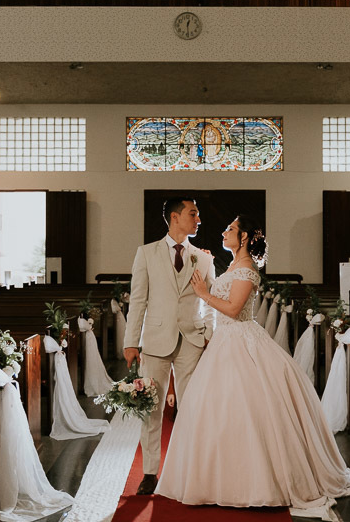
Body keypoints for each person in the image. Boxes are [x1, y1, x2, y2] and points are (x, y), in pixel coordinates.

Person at [156, 215, 350, 517]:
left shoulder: (247, 270)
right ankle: (216, 478)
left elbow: (234, 310)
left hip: (241, 341)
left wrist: (204, 294)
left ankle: (255, 481)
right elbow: (224, 295)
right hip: (226, 342)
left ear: (245, 237)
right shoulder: (235, 266)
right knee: (219, 411)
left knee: (249, 410)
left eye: (230, 229)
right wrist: (206, 269)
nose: (224, 232)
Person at [123, 196, 216, 495]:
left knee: (191, 408)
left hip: (192, 339)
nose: (198, 220)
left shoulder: (204, 258)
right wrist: (131, 342)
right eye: (193, 214)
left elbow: (211, 302)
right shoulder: (146, 253)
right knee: (151, 409)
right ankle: (150, 472)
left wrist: (207, 335)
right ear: (175, 217)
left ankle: (188, 468)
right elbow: (137, 301)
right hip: (154, 342)